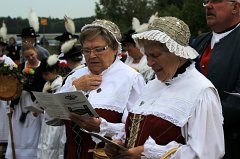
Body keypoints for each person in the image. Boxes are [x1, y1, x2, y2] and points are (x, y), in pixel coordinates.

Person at [105, 16, 225, 159]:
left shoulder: (201, 92)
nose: (149, 63)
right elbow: (141, 129)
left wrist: (147, 152)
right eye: (147, 55)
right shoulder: (152, 84)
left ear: (178, 52)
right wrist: (121, 142)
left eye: (155, 55)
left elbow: (208, 153)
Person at [59, 19, 146, 159]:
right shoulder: (74, 77)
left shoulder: (131, 79)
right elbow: (50, 118)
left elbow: (137, 130)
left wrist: (102, 127)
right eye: (86, 50)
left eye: (99, 49)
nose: (92, 55)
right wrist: (74, 88)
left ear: (115, 49)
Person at [191, 1, 240, 158]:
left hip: (231, 143)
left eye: (216, 0)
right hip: (191, 140)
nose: (208, 6)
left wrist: (198, 120)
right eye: (207, 1)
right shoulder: (197, 42)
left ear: (236, 7)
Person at [5, 44, 46, 159]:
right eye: (27, 56)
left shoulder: (42, 67)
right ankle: (17, 154)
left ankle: (31, 155)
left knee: (32, 130)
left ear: (36, 52)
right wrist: (13, 104)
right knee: (18, 129)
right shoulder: (22, 66)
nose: (30, 58)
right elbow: (15, 86)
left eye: (32, 55)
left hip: (34, 104)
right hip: (20, 102)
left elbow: (43, 86)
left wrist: (29, 85)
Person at [37, 55, 65, 159]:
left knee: (53, 145)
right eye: (43, 74)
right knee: (44, 144)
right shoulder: (47, 85)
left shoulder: (60, 85)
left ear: (54, 71)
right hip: (47, 120)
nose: (44, 76)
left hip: (56, 122)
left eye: (46, 74)